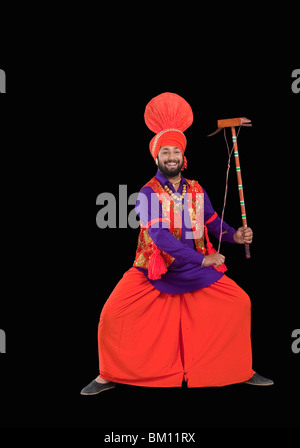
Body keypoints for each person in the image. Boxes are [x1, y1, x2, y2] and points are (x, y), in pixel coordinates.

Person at [81, 92, 273, 395]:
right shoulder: (148, 193)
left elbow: (211, 222)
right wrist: (204, 259)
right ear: (156, 157)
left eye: (176, 151)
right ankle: (108, 374)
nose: (171, 156)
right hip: (154, 270)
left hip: (194, 269)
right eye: (165, 151)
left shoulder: (196, 189)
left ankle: (239, 370)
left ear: (183, 157)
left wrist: (234, 235)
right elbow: (159, 237)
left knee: (239, 303)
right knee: (112, 314)